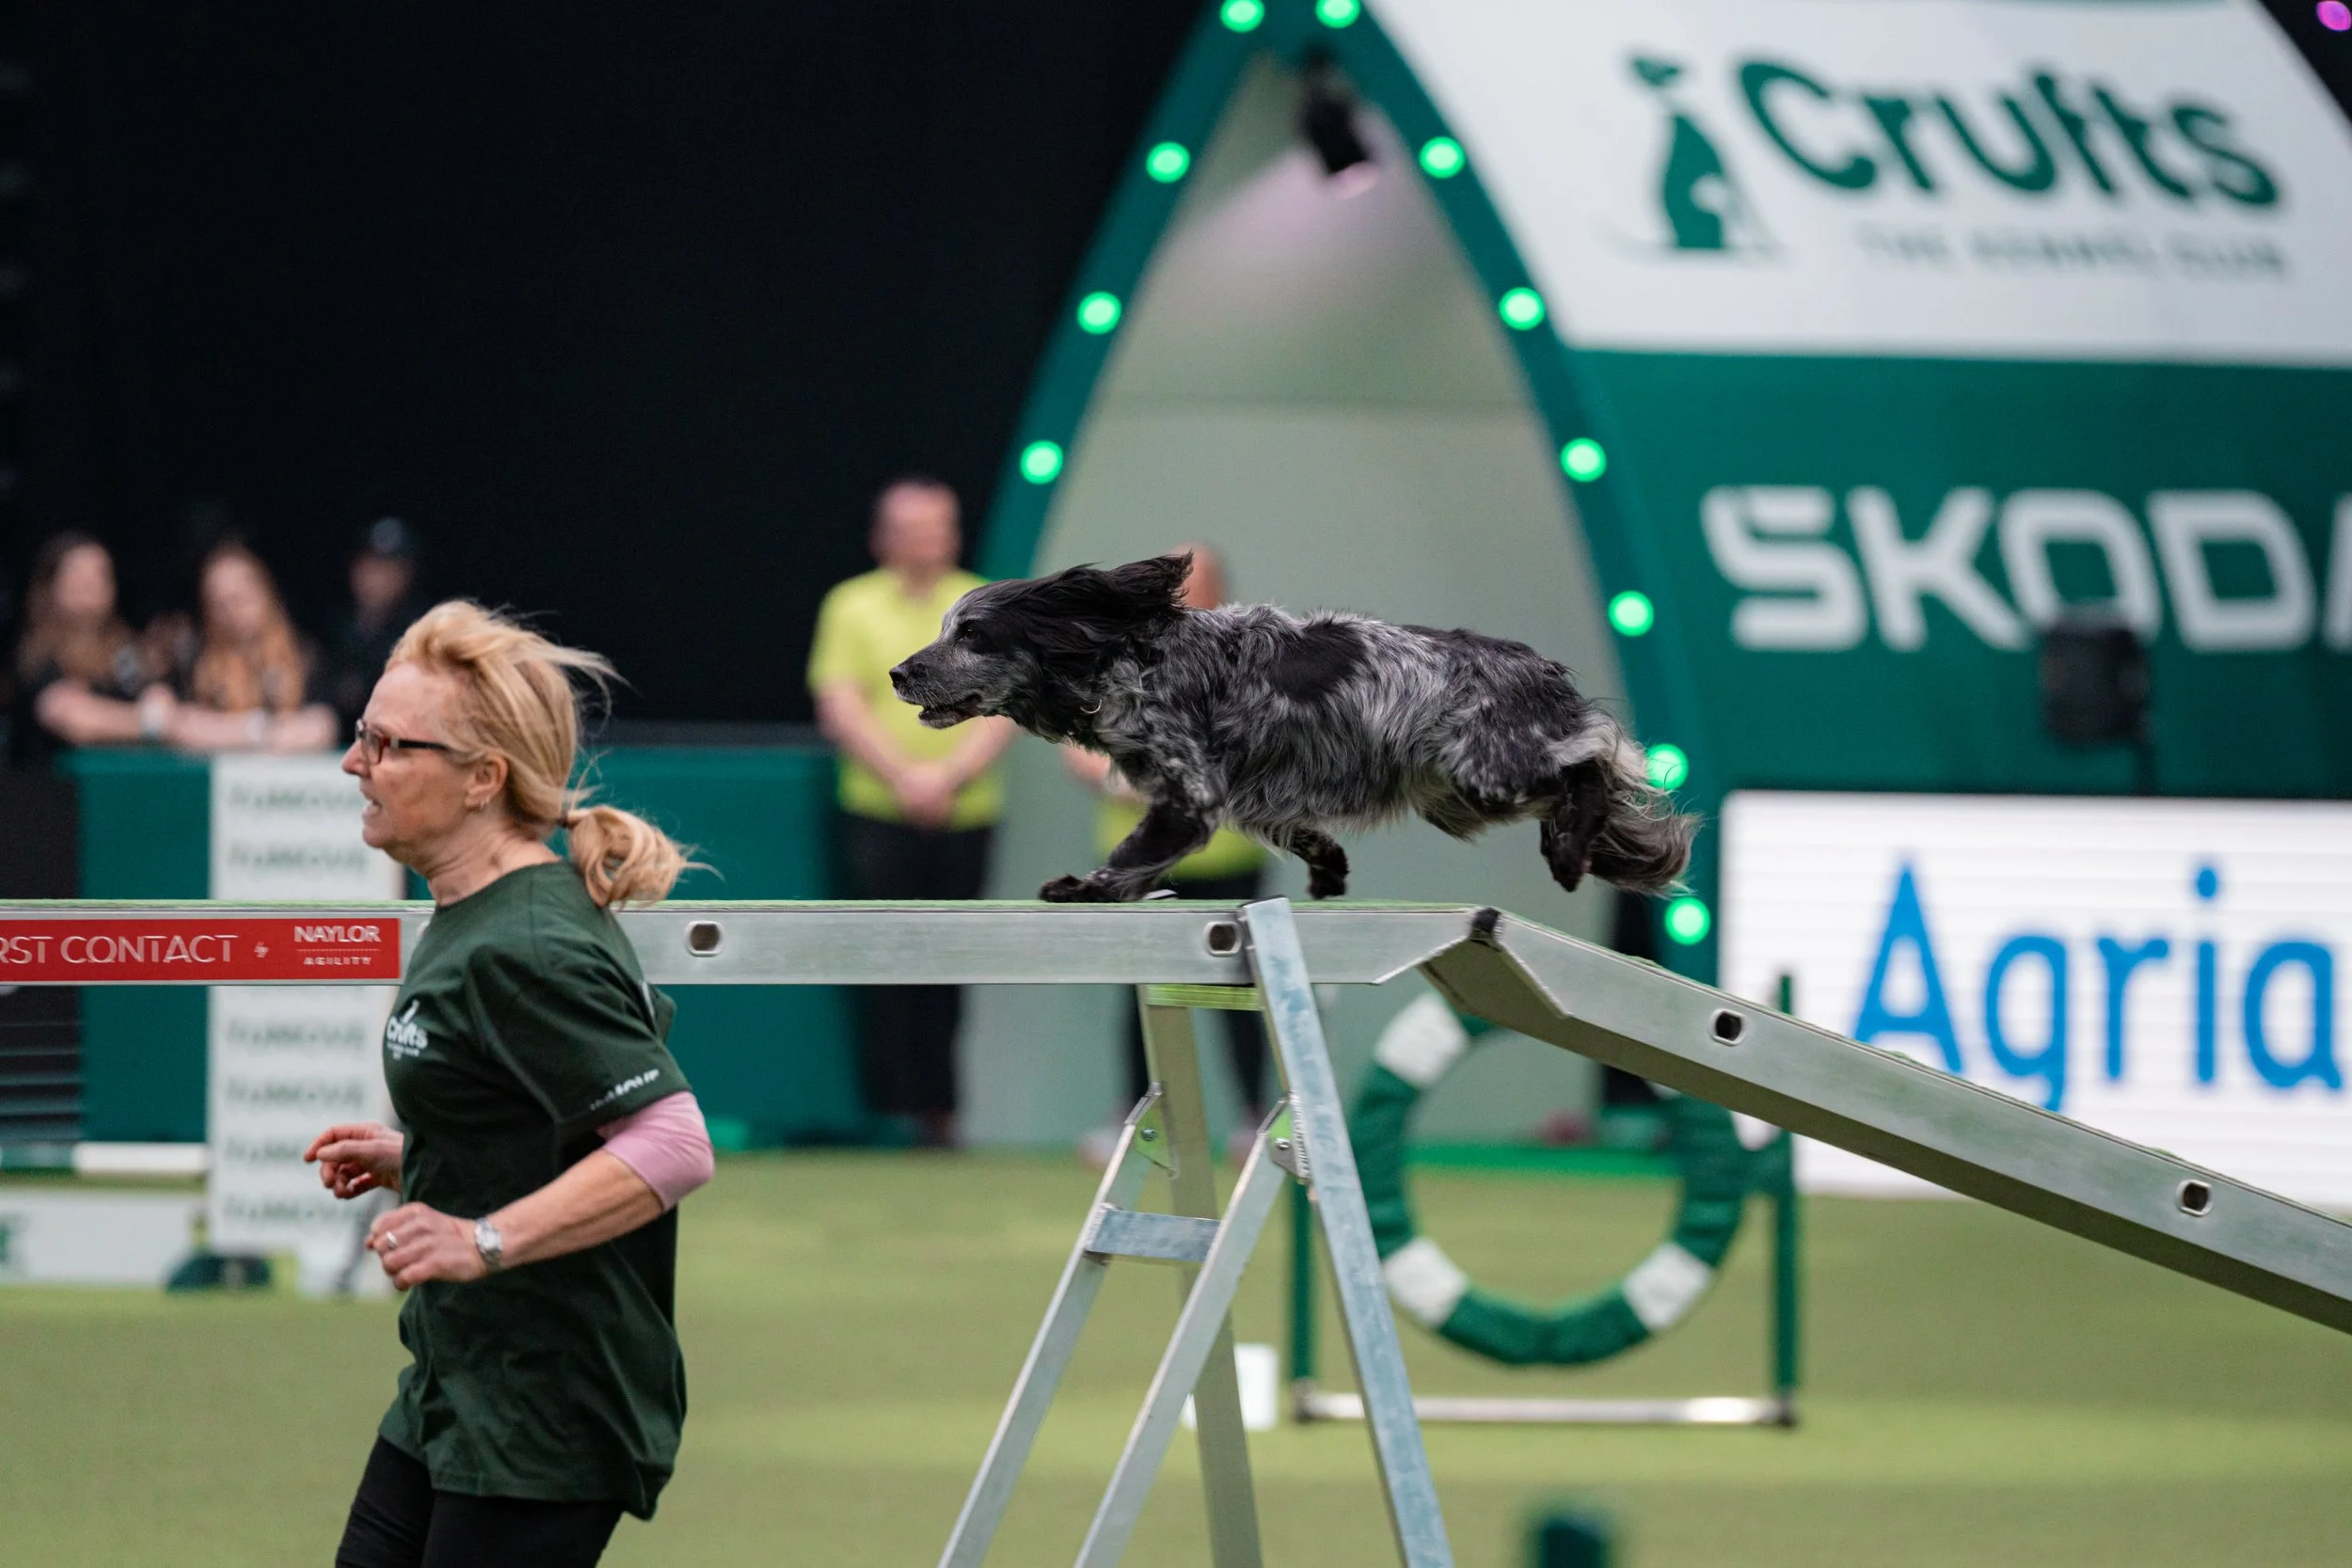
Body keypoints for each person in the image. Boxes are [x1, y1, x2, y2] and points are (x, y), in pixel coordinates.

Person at [301, 600, 716, 1568]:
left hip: (548, 1411)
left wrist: (481, 1236)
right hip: (459, 1382)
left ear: (483, 777)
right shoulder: (471, 908)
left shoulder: (525, 941)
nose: (354, 763)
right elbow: (551, 1121)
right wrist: (426, 1157)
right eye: (361, 735)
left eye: (388, 744)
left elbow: (672, 1142)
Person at [808, 476, 1016, 1147]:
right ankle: (886, 1111)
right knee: (883, 957)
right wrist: (903, 778)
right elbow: (841, 702)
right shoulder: (850, 604)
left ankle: (941, 1115)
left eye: (937, 525)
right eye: (911, 526)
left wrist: (947, 776)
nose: (925, 539)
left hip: (967, 815)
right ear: (882, 536)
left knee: (951, 962)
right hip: (876, 812)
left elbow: (1009, 701)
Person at [1062, 546, 1272, 1164]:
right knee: (1141, 997)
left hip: (1226, 858)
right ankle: (1133, 1121)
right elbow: (1076, 739)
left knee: (1243, 993)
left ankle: (1257, 1120)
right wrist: (1117, 778)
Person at [8, 531, 178, 767]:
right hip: (49, 789)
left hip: (121, 783)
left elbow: (160, 701)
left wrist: (157, 701)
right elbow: (71, 719)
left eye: (99, 574)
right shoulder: (37, 655)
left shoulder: (125, 653)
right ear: (52, 585)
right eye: (77, 572)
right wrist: (149, 722)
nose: (89, 583)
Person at [167, 539, 340, 752]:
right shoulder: (196, 661)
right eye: (219, 604)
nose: (232, 612)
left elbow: (321, 728)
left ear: (264, 592)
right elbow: (182, 727)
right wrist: (254, 730)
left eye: (239, 599)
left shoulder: (304, 656)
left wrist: (238, 732)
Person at [328, 517, 427, 730]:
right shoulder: (335, 627)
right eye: (370, 566)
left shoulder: (420, 633)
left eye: (388, 569)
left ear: (407, 574)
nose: (376, 578)